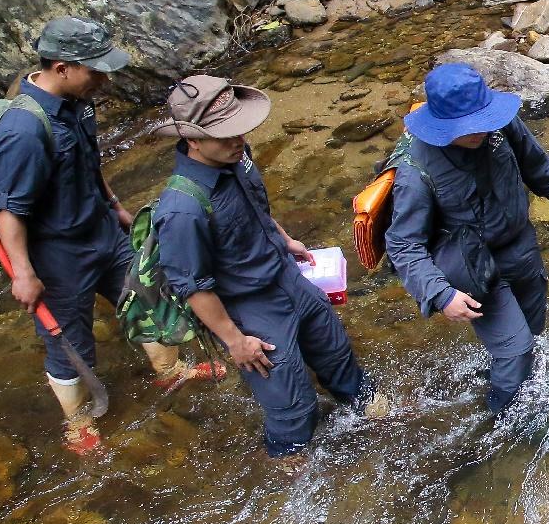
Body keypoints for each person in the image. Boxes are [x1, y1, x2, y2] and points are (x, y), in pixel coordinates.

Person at [0, 16, 224, 454]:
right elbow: (9, 209)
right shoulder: (22, 129)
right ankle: (77, 421)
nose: (104, 77)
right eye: (94, 69)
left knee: (149, 300)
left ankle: (170, 372)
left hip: (102, 231)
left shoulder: (81, 104)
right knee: (71, 342)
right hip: (59, 255)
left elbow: (88, 164)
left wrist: (115, 208)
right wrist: (23, 273)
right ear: (61, 68)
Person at [150, 75, 387, 458]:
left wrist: (284, 239)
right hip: (250, 308)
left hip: (287, 277)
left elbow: (256, 208)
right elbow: (193, 286)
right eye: (224, 135)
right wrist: (235, 341)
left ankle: (374, 416)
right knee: (292, 405)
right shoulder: (182, 209)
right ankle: (290, 466)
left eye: (239, 130)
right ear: (192, 140)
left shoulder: (237, 156)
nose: (237, 140)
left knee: (337, 354)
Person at [384, 63, 549, 414]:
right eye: (470, 127)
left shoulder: (496, 126)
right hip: (472, 268)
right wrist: (442, 294)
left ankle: (511, 375)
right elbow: (404, 245)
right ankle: (501, 417)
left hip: (519, 246)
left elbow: (536, 165)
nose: (481, 130)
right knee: (516, 351)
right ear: (443, 126)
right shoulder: (415, 172)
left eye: (484, 120)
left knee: (531, 331)